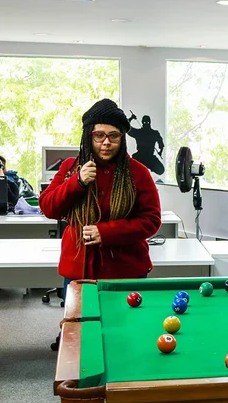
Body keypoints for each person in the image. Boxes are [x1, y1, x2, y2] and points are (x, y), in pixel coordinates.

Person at [39, 99, 161, 294]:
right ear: (89, 136)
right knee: (78, 324)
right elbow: (48, 207)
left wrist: (105, 232)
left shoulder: (139, 173)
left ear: (122, 139)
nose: (106, 142)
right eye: (99, 135)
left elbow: (151, 221)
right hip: (78, 270)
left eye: (114, 136)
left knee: (128, 324)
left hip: (126, 271)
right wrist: (77, 182)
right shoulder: (71, 167)